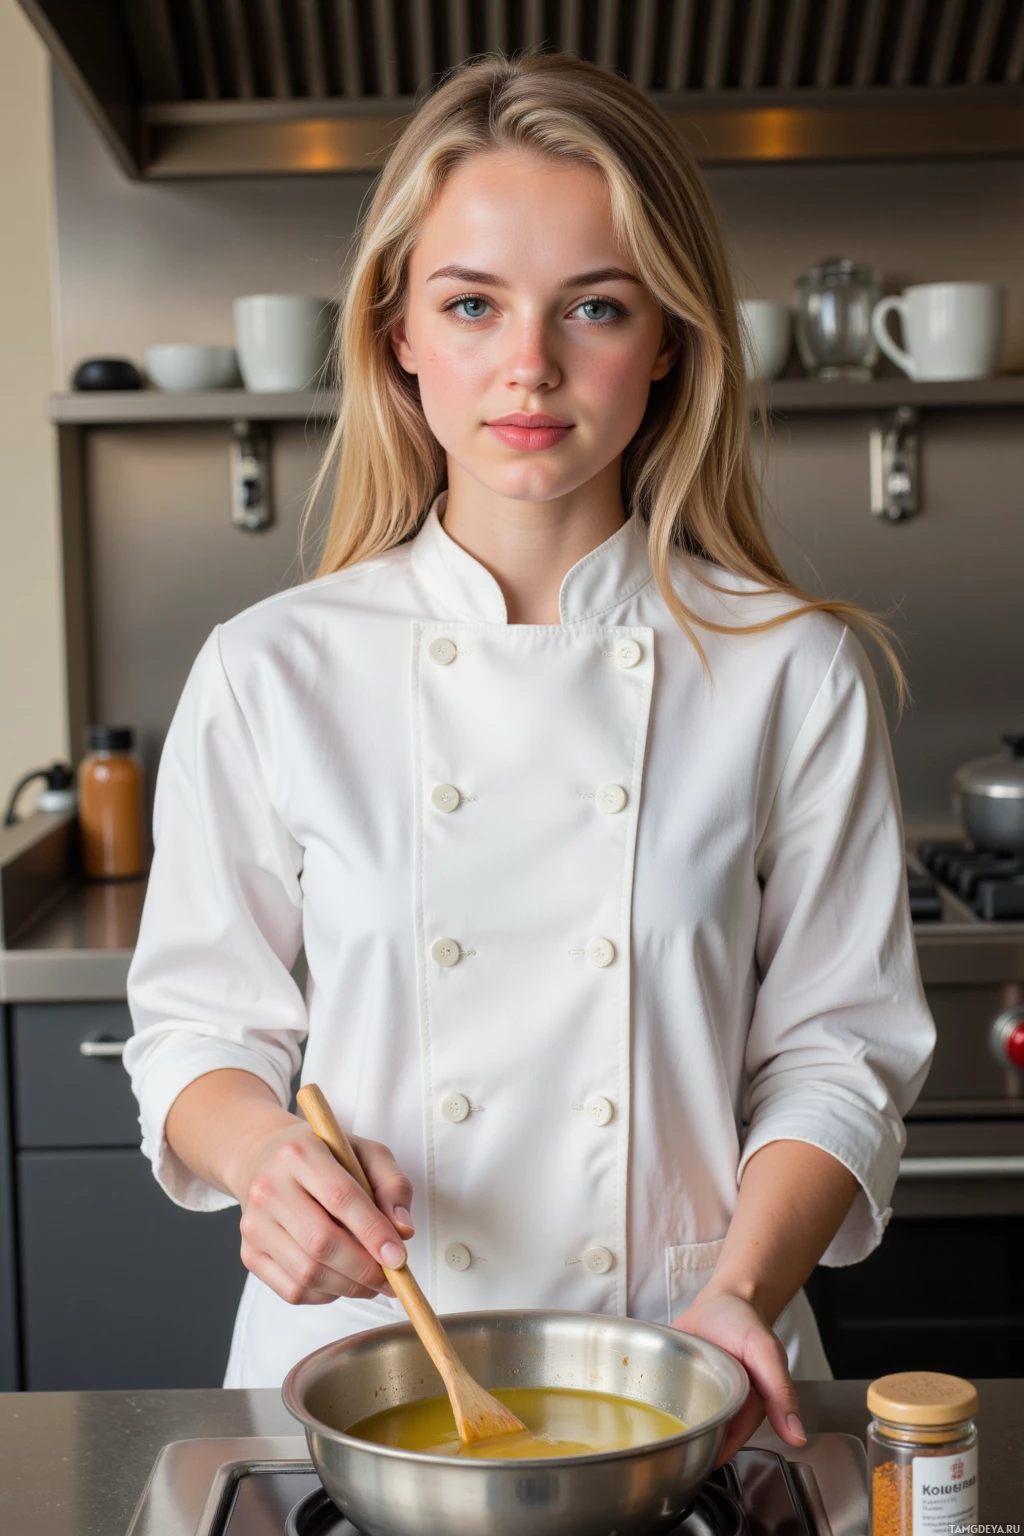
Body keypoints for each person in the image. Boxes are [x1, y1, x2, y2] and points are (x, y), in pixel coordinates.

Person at [124, 51, 934, 1460]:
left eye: (596, 308)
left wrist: (738, 1288)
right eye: (472, 303)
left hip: (695, 1375)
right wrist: (266, 1164)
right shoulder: (272, 668)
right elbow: (197, 1031)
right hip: (356, 1385)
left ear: (671, 337)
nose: (530, 367)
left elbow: (837, 1051)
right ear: (397, 334)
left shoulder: (790, 669)